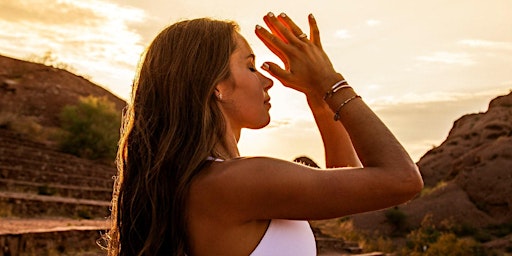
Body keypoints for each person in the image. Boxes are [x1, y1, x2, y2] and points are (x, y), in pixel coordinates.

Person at [107, 12, 423, 256]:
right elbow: (401, 179)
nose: (267, 81)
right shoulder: (238, 180)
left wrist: (320, 101)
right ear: (218, 86)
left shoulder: (203, 181)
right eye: (251, 67)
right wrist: (331, 82)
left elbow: (352, 182)